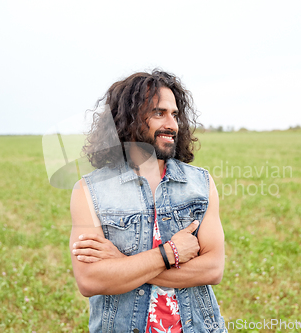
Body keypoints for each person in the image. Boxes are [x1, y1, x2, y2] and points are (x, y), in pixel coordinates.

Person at [69, 69, 227, 333]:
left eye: (175, 114)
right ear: (128, 119)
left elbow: (213, 269)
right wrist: (169, 254)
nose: (172, 124)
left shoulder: (200, 184)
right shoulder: (89, 191)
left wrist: (121, 263)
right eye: (158, 113)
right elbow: (91, 280)